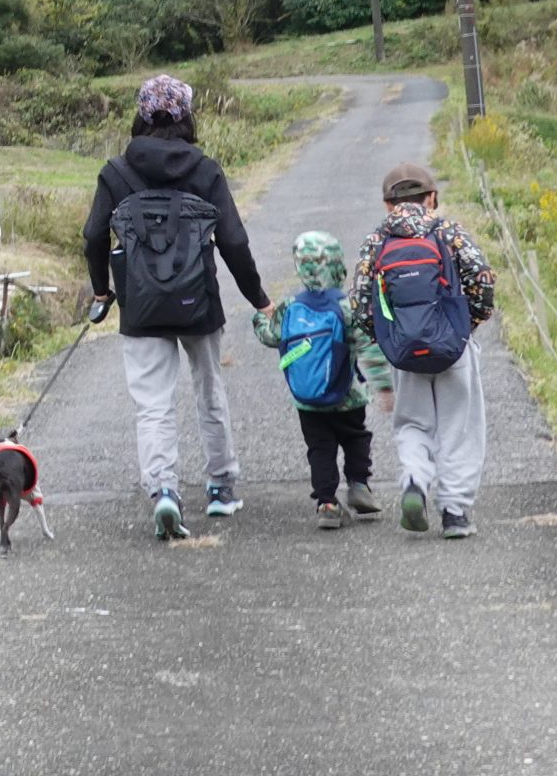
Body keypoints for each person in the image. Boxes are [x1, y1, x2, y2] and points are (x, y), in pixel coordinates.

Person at [84, 73, 275, 540]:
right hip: (199, 302)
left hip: (141, 307)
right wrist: (260, 299)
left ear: (141, 116)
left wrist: (101, 292)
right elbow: (233, 240)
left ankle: (164, 492)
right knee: (209, 392)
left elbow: (93, 237)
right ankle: (221, 489)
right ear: (187, 116)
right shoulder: (205, 169)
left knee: (153, 405)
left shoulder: (116, 172)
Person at [347, 161, 497, 539]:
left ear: (387, 203)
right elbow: (482, 281)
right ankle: (455, 513)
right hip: (453, 346)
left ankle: (415, 481)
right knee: (459, 426)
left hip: (405, 353)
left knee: (413, 423)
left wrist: (391, 341)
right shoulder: (447, 231)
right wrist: (466, 326)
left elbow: (361, 303)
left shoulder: (377, 241)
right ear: (431, 198)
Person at [251, 231, 389, 528]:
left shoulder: (290, 308)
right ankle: (359, 485)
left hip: (307, 401)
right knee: (356, 438)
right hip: (348, 395)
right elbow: (369, 346)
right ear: (338, 266)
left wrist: (260, 319)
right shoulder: (347, 306)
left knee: (320, 449)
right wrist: (384, 385)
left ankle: (326, 502)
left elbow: (271, 337)